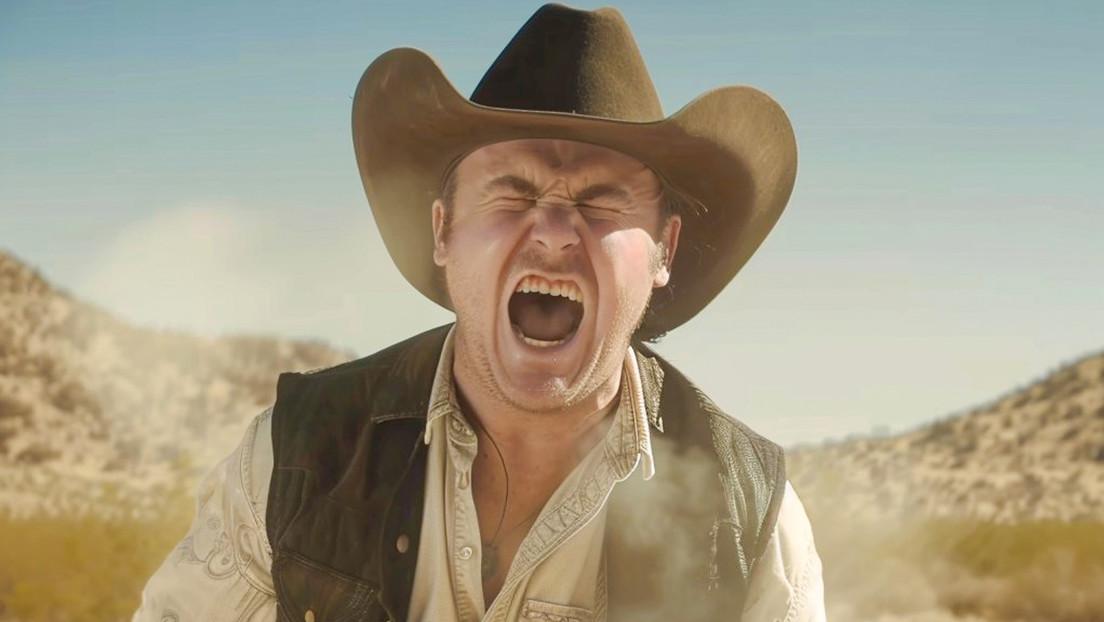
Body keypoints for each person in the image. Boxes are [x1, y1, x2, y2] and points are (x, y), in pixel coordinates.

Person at [134, 4, 825, 621]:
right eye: (513, 191)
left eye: (601, 200)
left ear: (663, 250)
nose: (554, 232)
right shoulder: (296, 458)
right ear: (444, 231)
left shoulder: (748, 516)